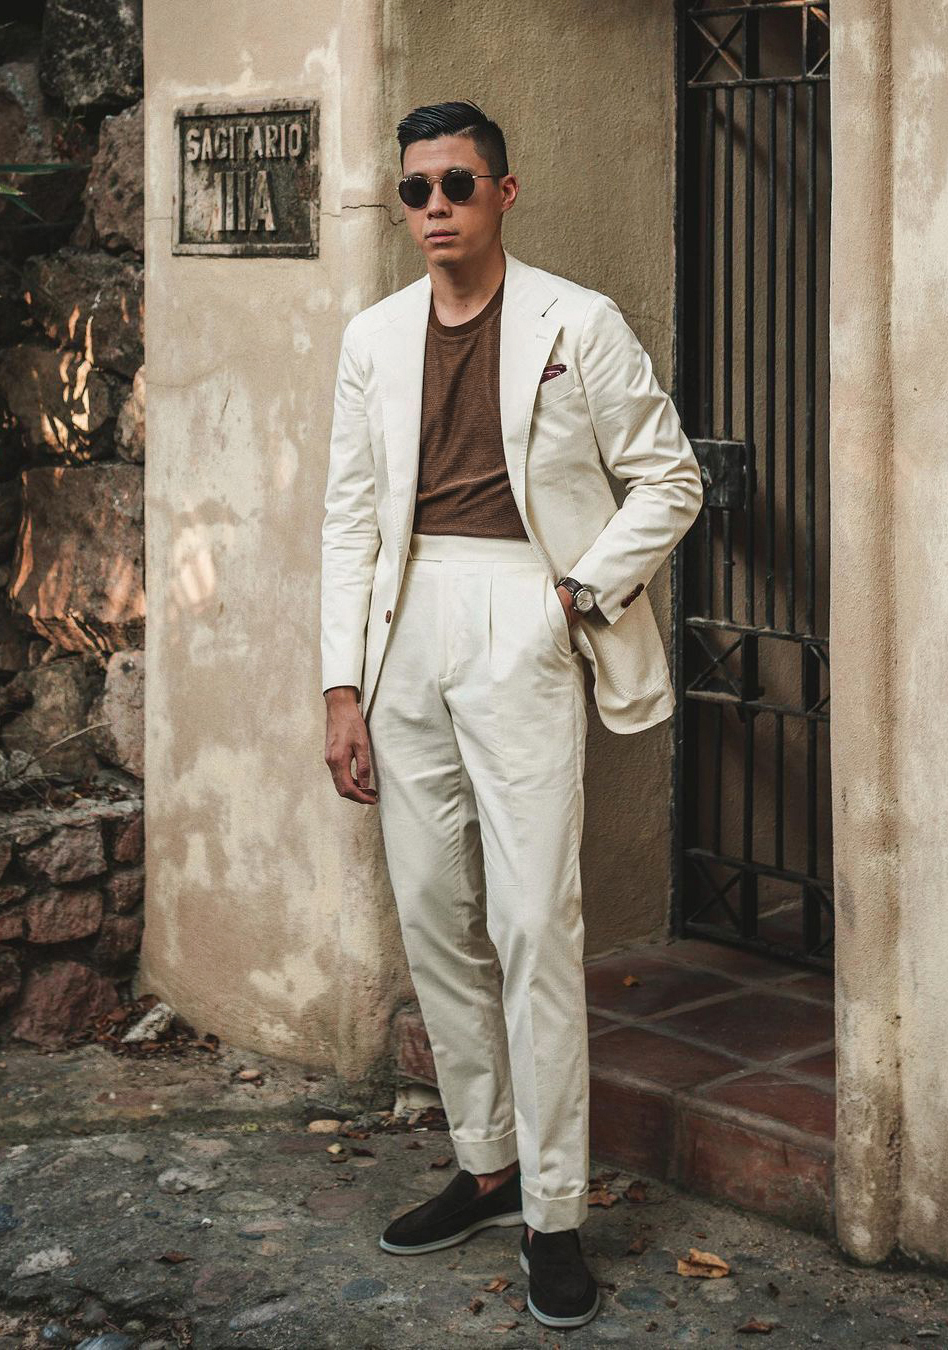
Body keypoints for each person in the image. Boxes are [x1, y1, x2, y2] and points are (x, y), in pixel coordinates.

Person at [321, 98, 703, 1330]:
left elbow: (670, 477)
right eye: (417, 189)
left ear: (504, 193)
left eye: (457, 186)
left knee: (535, 922)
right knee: (435, 915)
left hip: (522, 619)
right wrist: (342, 686)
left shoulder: (573, 322)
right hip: (403, 628)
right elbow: (347, 522)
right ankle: (484, 1164)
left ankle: (554, 1210)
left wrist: (576, 594)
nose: (435, 207)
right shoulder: (374, 337)